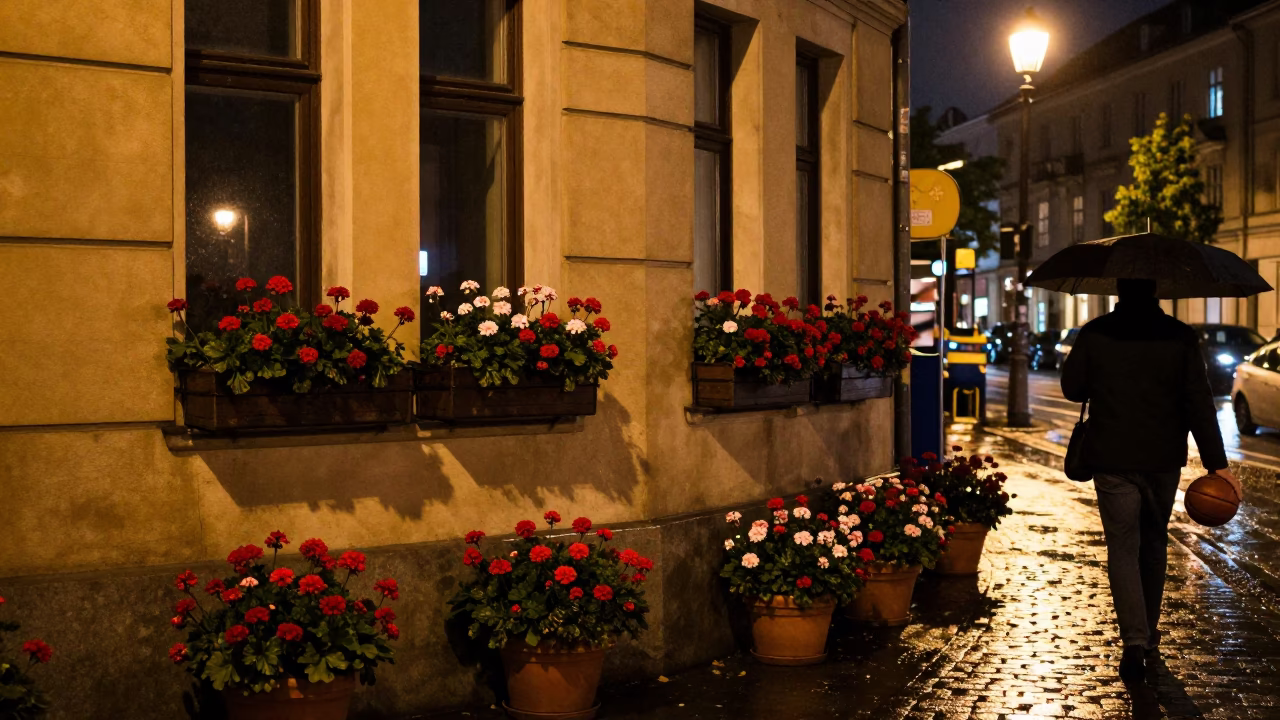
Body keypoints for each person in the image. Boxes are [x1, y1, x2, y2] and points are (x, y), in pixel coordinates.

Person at [1060, 278, 1241, 684]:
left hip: (1112, 458)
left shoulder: (1096, 332)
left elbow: (1072, 389)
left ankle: (1133, 643)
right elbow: (1199, 402)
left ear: (1118, 290)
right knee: (1154, 542)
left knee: (1122, 548)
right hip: (1162, 459)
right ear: (1157, 291)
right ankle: (1149, 636)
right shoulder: (1180, 336)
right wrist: (1218, 465)